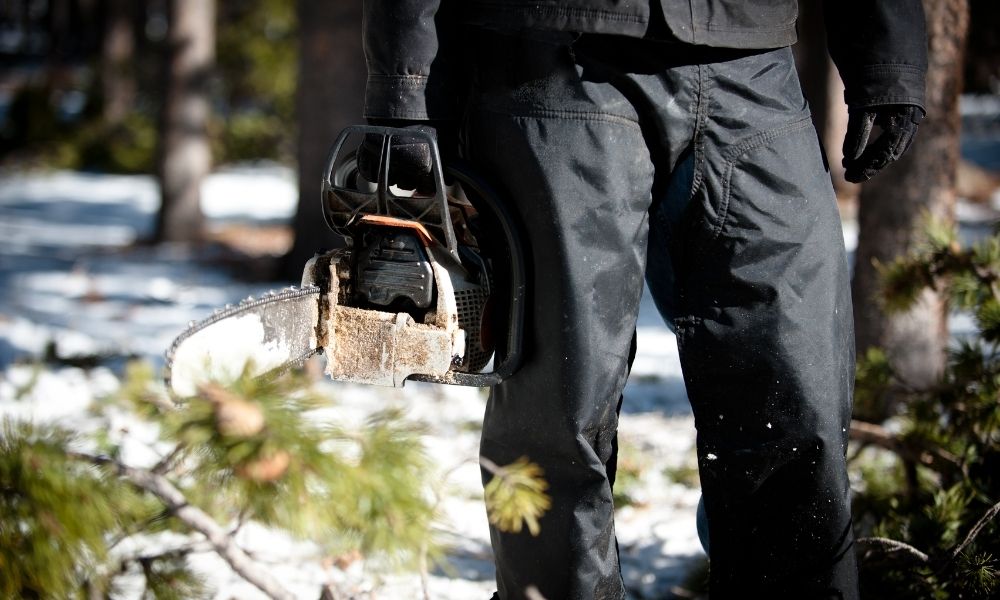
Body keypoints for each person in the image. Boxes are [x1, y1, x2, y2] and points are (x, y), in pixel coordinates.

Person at [359, 2, 927, 598]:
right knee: (557, 411)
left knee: (795, 394)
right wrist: (404, 86)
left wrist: (886, 54)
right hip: (551, 58)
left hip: (752, 63)